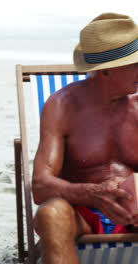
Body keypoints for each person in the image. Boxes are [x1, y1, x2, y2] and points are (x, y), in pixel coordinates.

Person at [32, 13, 138, 264]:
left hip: (133, 213)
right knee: (50, 215)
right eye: (133, 63)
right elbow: (40, 186)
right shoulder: (63, 105)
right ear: (105, 71)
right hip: (82, 216)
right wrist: (94, 193)